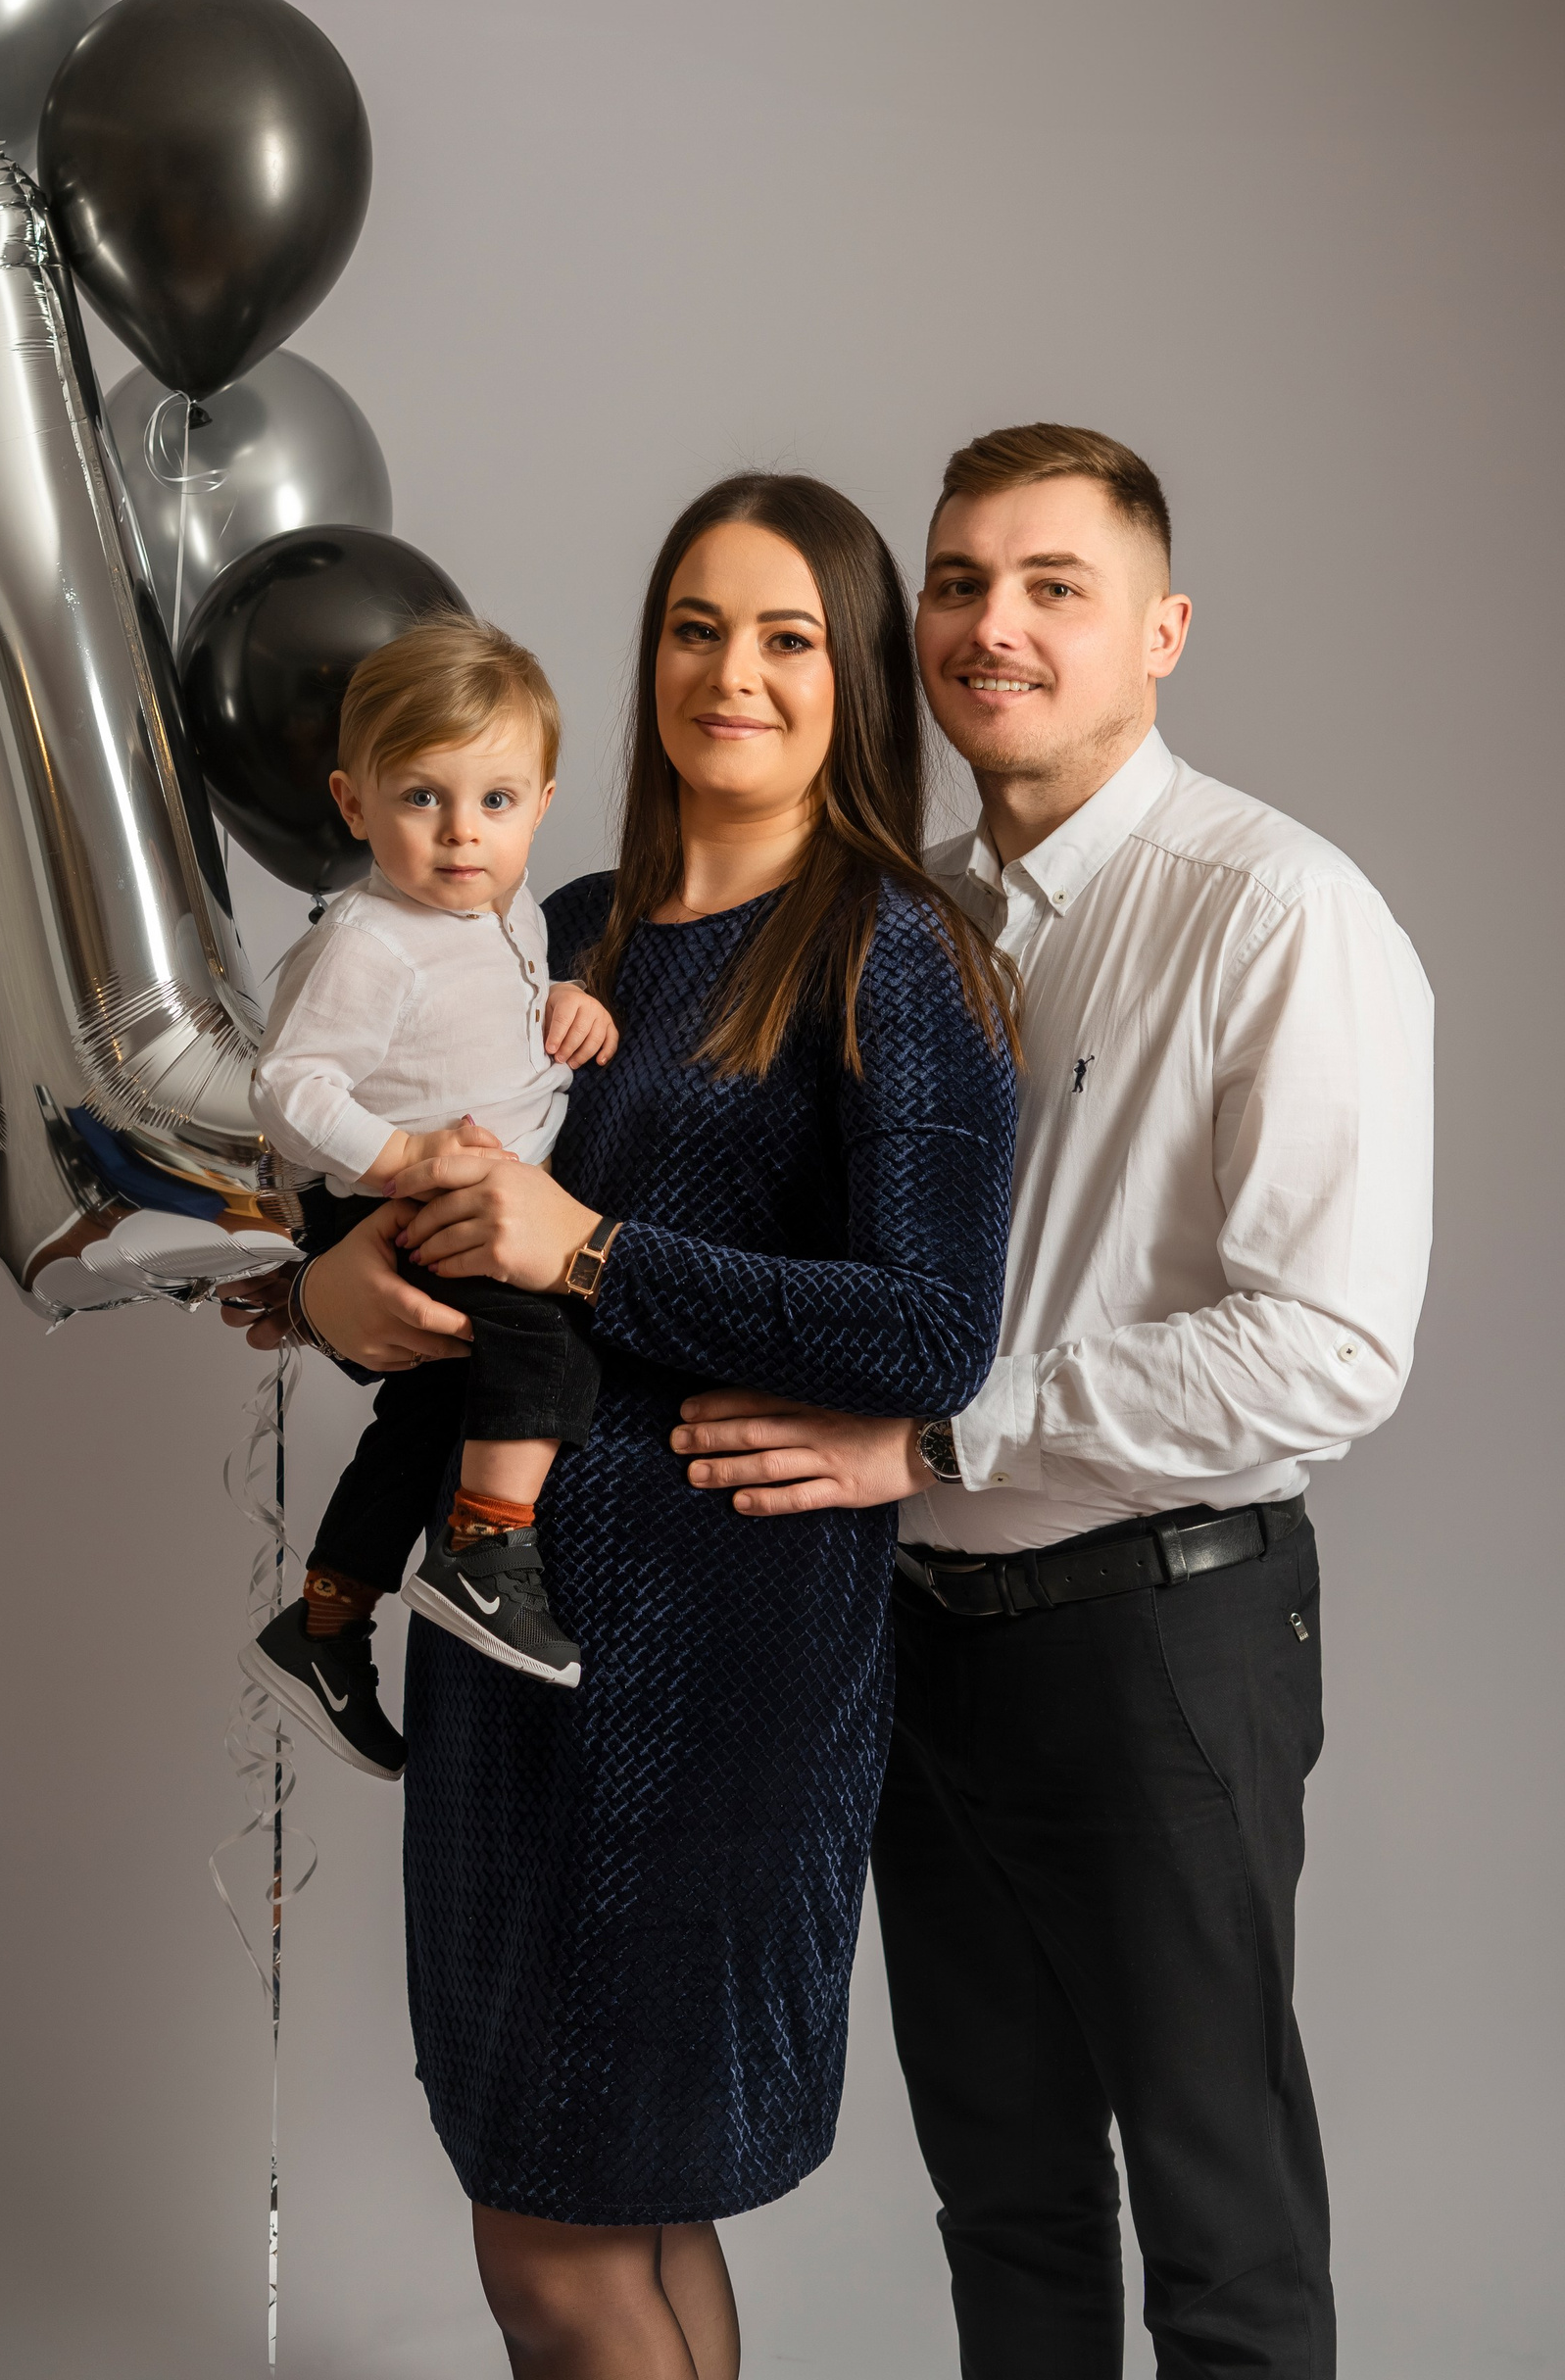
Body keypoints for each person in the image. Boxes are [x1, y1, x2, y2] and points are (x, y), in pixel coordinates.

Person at [227, 471, 1017, 2380]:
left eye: (786, 637)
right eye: (694, 627)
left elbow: (931, 1331)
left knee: (563, 2234)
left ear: (854, 680)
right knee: (620, 2206)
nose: (731, 673)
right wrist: (331, 1290)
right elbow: (432, 1236)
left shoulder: (890, 947)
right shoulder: (549, 925)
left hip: (718, 1662)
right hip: (504, 1628)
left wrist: (590, 1250)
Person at [672, 423, 1436, 2380]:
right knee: (1003, 2204)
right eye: (957, 584)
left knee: (1220, 2220)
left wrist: (935, 1436)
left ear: (1161, 629)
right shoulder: (892, 918)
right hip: (916, 1639)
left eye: (1051, 587)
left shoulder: (1276, 909)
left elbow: (1329, 1345)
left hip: (1158, 1635)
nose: (989, 626)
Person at [240, 616, 619, 1778]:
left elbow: (491, 1020)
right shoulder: (373, 941)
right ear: (353, 805)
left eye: (495, 801)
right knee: (552, 1342)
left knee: (425, 1418)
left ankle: (324, 1619)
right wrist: (399, 1157)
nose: (462, 832)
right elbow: (288, 1085)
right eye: (422, 798)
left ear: (541, 804)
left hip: (458, 1194)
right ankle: (486, 1554)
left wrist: (566, 1006)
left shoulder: (510, 907)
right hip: (400, 1202)